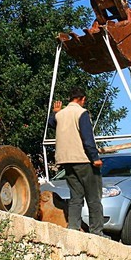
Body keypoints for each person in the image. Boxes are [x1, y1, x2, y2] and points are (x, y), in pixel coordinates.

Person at [52, 87, 104, 235]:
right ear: (82, 99)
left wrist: (55, 112)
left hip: (65, 160)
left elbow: (52, 123)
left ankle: (73, 228)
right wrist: (95, 158)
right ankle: (97, 231)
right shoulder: (81, 113)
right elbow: (88, 139)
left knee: (75, 196)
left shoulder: (60, 115)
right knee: (94, 197)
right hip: (82, 159)